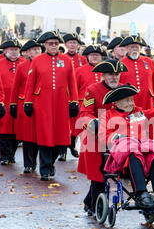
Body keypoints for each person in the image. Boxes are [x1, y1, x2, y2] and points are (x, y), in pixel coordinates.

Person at [99, 84, 154, 209]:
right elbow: (104, 137)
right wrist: (121, 137)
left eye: (132, 100)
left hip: (143, 150)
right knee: (132, 151)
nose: (131, 103)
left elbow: (152, 113)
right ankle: (142, 193)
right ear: (117, 103)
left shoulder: (137, 112)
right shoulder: (108, 115)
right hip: (123, 156)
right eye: (127, 101)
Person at [23, 31, 79, 181]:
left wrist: (74, 101)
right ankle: (45, 168)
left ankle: (51, 163)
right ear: (45, 45)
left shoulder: (67, 61)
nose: (53, 46)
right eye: (50, 43)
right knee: (44, 135)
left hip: (61, 102)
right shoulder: (37, 60)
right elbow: (30, 83)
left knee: (60, 136)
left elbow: (72, 83)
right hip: (42, 103)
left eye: (56, 43)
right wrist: (27, 102)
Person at [76, 59, 127, 215]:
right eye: (110, 74)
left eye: (116, 74)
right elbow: (85, 112)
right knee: (98, 174)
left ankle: (89, 201)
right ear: (103, 75)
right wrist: (94, 122)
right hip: (96, 137)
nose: (114, 78)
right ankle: (94, 205)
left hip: (117, 137)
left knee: (115, 171)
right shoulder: (92, 90)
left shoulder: (124, 90)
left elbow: (132, 108)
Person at [61, 45, 106, 161]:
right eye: (92, 55)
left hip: (101, 106)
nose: (95, 57)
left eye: (97, 55)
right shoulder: (79, 71)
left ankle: (94, 154)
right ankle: (69, 147)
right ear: (87, 57)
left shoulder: (106, 71)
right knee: (78, 130)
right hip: (83, 104)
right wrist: (72, 102)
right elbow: (73, 88)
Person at [11, 39, 43, 174]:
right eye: (34, 50)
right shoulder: (22, 67)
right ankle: (28, 164)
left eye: (38, 49)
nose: (37, 52)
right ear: (28, 53)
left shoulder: (44, 64)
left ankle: (41, 163)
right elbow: (15, 87)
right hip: (26, 104)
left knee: (40, 135)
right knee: (28, 136)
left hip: (42, 105)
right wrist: (13, 104)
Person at [0, 39, 25, 165]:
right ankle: (4, 155)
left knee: (16, 130)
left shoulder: (24, 63)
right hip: (5, 99)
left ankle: (11, 155)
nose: (14, 52)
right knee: (4, 129)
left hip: (19, 101)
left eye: (16, 50)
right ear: (5, 51)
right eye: (11, 50)